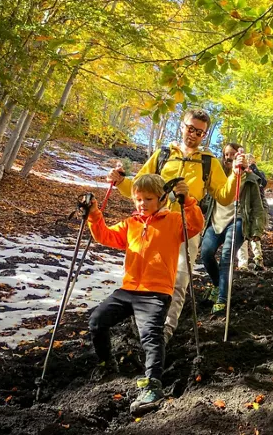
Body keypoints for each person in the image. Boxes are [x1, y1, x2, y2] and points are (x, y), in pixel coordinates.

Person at [106, 109, 246, 342]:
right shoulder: (163, 154)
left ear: (205, 135)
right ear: (182, 126)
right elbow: (138, 186)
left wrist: (235, 174)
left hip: (186, 226)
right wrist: (120, 181)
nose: (193, 134)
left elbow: (224, 196)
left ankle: (165, 331)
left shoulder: (208, 162)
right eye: (190, 128)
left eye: (199, 132)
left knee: (179, 278)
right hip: (152, 224)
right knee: (141, 274)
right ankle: (141, 325)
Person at [85, 174, 204, 416]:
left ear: (162, 198)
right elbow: (104, 236)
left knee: (150, 335)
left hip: (156, 292)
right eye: (138, 199)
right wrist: (93, 214)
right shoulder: (131, 224)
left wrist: (187, 200)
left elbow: (195, 225)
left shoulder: (173, 220)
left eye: (148, 198)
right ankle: (107, 363)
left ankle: (153, 384)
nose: (142, 203)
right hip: (128, 289)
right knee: (97, 321)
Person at [200, 144, 266, 315]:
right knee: (206, 254)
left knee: (226, 256)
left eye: (233, 154)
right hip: (215, 221)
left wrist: (257, 230)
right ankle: (217, 285)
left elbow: (257, 207)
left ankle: (222, 298)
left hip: (237, 220)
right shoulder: (216, 174)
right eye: (226, 154)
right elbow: (205, 198)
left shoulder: (250, 179)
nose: (229, 157)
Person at [237, 156, 269, 271]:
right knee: (242, 234)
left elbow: (263, 183)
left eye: (250, 160)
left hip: (257, 205)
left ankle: (258, 259)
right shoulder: (238, 174)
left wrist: (253, 169)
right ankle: (243, 264)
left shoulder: (258, 173)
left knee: (255, 233)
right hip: (243, 207)